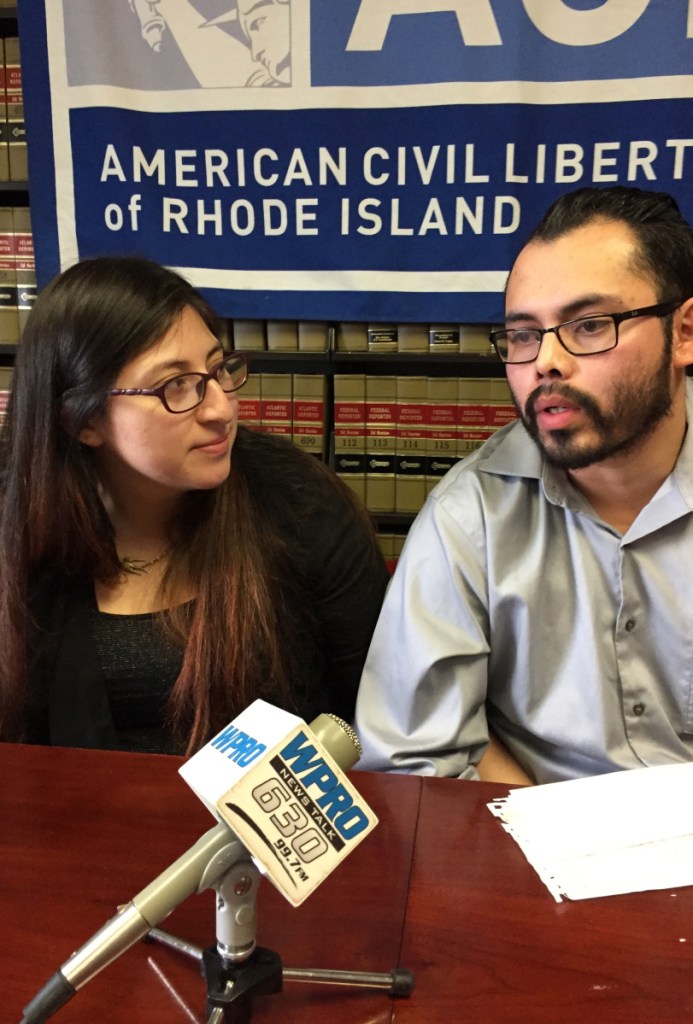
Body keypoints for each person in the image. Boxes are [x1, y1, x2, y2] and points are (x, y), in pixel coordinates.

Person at [355, 185, 693, 786]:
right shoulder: (469, 515)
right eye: (523, 335)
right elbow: (421, 757)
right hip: (539, 851)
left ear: (684, 333)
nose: (546, 362)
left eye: (589, 325)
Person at [0, 256, 389, 755]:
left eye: (217, 368)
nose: (221, 408)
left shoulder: (300, 505)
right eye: (175, 386)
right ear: (84, 420)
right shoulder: (18, 529)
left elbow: (377, 715)